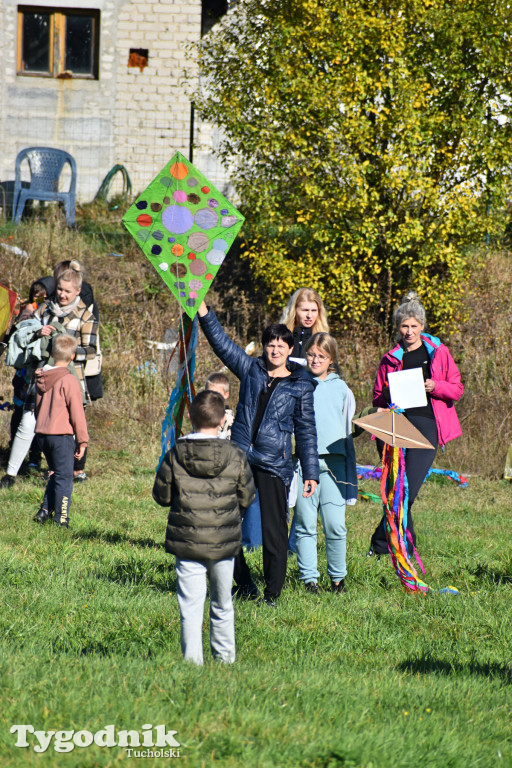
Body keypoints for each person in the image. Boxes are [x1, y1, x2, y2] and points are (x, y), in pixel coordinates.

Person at [198, 300, 319, 607]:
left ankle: (272, 594)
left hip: (273, 464)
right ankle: (245, 583)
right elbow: (222, 345)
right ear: (264, 347)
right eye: (270, 345)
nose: (275, 350)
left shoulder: (300, 385)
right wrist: (204, 311)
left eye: (281, 345)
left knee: (274, 532)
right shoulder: (251, 369)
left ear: (290, 350)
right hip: (239, 459)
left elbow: (306, 432)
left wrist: (311, 471)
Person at [153, 390, 256, 665]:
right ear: (223, 421)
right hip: (224, 542)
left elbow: (161, 496)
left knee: (190, 606)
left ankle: (192, 662)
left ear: (190, 417)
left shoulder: (175, 454)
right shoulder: (236, 455)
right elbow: (247, 496)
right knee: (223, 604)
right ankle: (225, 660)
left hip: (187, 542)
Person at [367, 291, 463, 558]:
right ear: (398, 328)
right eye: (404, 326)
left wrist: (436, 385)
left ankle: (379, 544)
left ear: (422, 327)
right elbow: (377, 397)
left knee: (407, 489)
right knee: (395, 488)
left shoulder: (438, 353)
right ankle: (405, 545)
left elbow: (457, 389)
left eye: (414, 326)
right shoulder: (390, 358)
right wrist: (387, 393)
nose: (409, 331)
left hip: (427, 426)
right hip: (396, 426)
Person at [294, 333, 358, 593]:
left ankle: (338, 579)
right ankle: (309, 579)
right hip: (303, 464)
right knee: (305, 523)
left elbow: (348, 430)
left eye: (321, 355)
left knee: (335, 525)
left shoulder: (341, 389)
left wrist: (351, 478)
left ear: (331, 359)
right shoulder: (296, 384)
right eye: (311, 354)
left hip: (335, 467)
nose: (315, 359)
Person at [35, 261, 98, 481]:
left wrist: (65, 352)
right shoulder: (45, 309)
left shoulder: (86, 316)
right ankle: (52, 467)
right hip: (46, 376)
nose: (62, 295)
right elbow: (30, 333)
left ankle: (77, 469)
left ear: (78, 291)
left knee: (74, 421)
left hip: (72, 378)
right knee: (48, 421)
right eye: (60, 289)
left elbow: (91, 350)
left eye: (67, 291)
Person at [33, 334, 88, 528]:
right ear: (72, 356)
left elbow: (37, 408)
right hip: (61, 436)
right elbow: (77, 413)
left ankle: (44, 511)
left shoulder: (42, 376)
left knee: (57, 473)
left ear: (53, 353)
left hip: (42, 434)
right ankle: (61, 519)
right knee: (65, 477)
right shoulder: (69, 380)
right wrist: (82, 440)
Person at [280, 287, 329, 365]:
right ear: (294, 310)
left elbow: (333, 373)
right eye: (305, 310)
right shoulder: (280, 337)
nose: (309, 316)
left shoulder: (324, 341)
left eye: (314, 310)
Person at [205, 371, 234, 439]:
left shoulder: (229, 419)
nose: (213, 397)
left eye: (217, 394)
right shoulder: (203, 416)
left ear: (226, 395)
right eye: (209, 393)